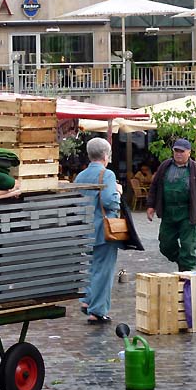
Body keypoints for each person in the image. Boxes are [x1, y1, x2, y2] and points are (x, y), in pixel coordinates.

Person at [146, 138, 196, 272]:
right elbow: (154, 186)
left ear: (189, 152)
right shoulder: (165, 166)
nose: (178, 154)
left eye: (182, 151)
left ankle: (188, 276)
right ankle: (182, 262)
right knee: (165, 245)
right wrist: (151, 205)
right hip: (168, 213)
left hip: (188, 215)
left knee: (188, 247)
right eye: (176, 151)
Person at [74, 137, 122, 325]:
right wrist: (118, 191)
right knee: (103, 270)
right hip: (104, 230)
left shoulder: (80, 176)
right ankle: (97, 311)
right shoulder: (107, 175)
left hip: (86, 229)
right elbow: (110, 201)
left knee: (91, 267)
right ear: (105, 155)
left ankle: (87, 300)